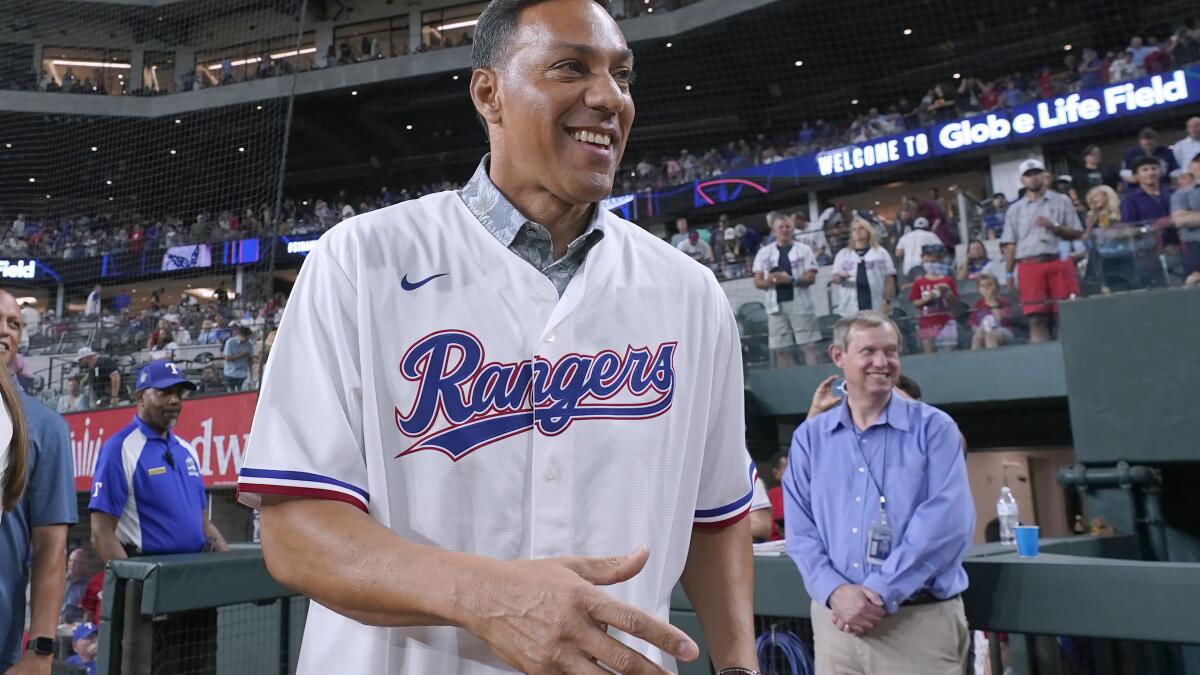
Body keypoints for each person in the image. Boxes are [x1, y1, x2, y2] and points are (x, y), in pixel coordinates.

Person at [235, 2, 758, 674]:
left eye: (622, 76)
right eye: (571, 67)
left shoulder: (690, 293)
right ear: (489, 93)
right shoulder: (359, 260)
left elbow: (714, 517)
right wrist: (486, 596)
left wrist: (740, 662)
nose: (608, 98)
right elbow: (295, 531)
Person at [782, 311, 974, 675]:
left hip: (917, 624)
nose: (882, 362)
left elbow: (945, 523)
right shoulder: (809, 438)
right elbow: (800, 532)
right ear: (838, 357)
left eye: (891, 351)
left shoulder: (934, 429)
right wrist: (836, 593)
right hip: (835, 625)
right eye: (868, 351)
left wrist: (880, 592)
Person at [89, 359, 229, 674]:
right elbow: (101, 534)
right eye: (164, 392)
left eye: (179, 392)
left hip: (196, 591)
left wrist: (232, 572)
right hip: (152, 593)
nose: (175, 400)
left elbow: (203, 523)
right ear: (140, 397)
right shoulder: (120, 448)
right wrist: (135, 596)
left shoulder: (187, 449)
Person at [0, 290, 74, 674]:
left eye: (14, 324)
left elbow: (51, 548)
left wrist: (41, 651)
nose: (6, 331)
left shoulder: (44, 426)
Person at [1000, 159, 1084, 342]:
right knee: (1036, 317)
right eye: (1028, 175)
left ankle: (1069, 358)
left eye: (1036, 173)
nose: (1033, 178)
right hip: (1030, 265)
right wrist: (1008, 273)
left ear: (1044, 175)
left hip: (1059, 260)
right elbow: (1010, 243)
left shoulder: (1062, 201)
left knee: (1065, 315)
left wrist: (1054, 227)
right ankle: (1043, 360)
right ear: (1022, 180)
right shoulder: (1015, 209)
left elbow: (1077, 232)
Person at [753, 212, 821, 367]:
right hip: (775, 307)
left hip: (800, 305)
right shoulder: (764, 253)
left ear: (793, 229)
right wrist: (769, 281)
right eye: (781, 227)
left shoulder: (804, 250)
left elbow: (811, 278)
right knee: (781, 349)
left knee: (809, 346)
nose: (785, 230)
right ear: (774, 231)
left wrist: (791, 280)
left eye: (788, 227)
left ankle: (816, 383)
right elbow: (757, 282)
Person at [830, 217, 896, 316]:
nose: (858, 232)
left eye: (861, 228)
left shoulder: (880, 252)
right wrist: (839, 276)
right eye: (854, 229)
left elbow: (890, 279)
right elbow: (834, 279)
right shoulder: (843, 254)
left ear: (868, 231)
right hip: (850, 308)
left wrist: (887, 302)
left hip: (877, 306)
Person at [909, 244, 959, 354]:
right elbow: (915, 302)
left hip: (947, 321)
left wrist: (947, 292)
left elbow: (956, 303)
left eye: (935, 258)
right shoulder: (919, 282)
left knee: (949, 353)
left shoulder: (948, 280)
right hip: (926, 322)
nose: (932, 261)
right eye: (928, 257)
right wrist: (928, 298)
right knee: (929, 354)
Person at [1171, 152, 1200, 277]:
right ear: (1191, 167)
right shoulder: (1182, 194)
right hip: (1196, 247)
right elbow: (1181, 220)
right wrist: (1188, 217)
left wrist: (1194, 215)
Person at [970, 274, 1017, 350]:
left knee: (990, 336)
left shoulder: (1003, 302)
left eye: (990, 285)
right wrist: (980, 331)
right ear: (978, 290)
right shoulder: (977, 305)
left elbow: (1000, 319)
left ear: (997, 288)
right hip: (983, 330)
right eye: (982, 286)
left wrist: (992, 302)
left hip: (1004, 330)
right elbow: (974, 324)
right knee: (977, 337)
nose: (986, 288)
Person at [59, 548, 94, 624]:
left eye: (77, 562)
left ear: (84, 565)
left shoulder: (88, 586)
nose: (72, 564)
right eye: (71, 561)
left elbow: (88, 612)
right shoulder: (58, 581)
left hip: (73, 623)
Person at [222, 325, 253, 390]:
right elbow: (227, 358)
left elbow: (250, 360)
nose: (247, 340)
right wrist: (242, 355)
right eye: (245, 337)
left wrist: (251, 374)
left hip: (243, 373)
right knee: (231, 393)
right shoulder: (230, 342)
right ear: (240, 335)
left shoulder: (249, 344)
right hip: (230, 372)